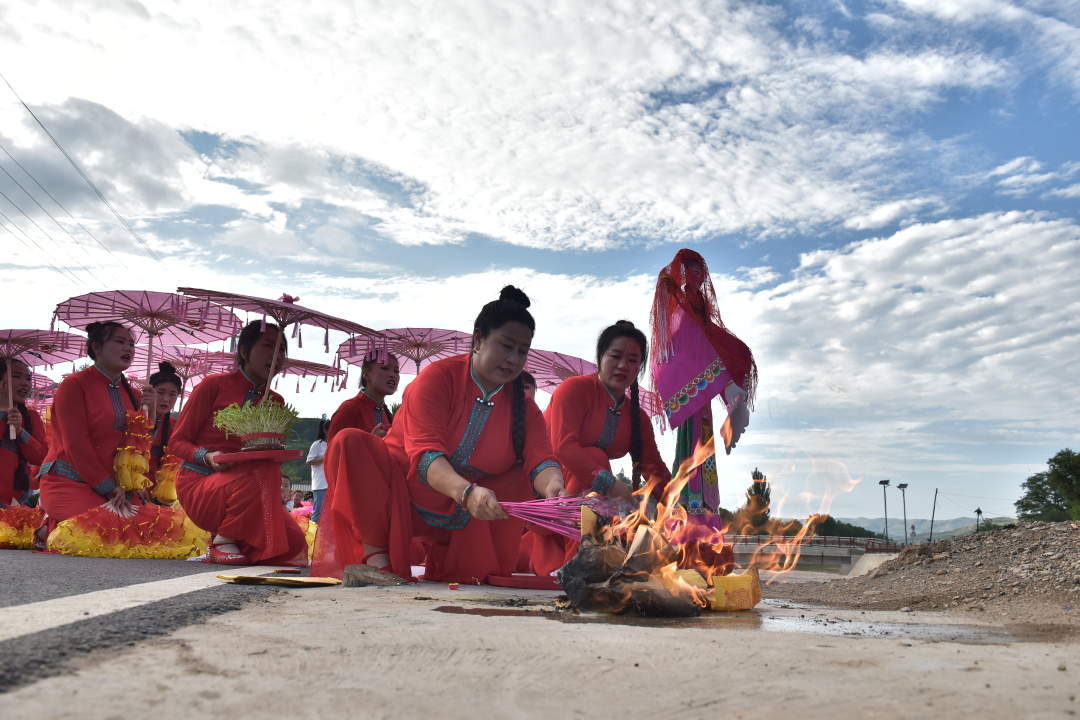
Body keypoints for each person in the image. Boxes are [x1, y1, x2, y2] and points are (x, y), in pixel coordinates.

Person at [313, 286, 566, 583]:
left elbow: (541, 460)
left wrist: (555, 490)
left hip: (470, 515)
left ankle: (468, 566)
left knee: (519, 475)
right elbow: (426, 455)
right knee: (349, 442)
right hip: (404, 495)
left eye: (522, 351)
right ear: (478, 340)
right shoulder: (437, 379)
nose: (513, 359)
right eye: (506, 346)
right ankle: (376, 562)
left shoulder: (525, 408)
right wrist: (467, 492)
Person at [37, 322, 203, 558]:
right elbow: (76, 445)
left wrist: (152, 415)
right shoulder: (74, 385)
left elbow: (140, 450)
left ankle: (48, 528)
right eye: (120, 342)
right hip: (69, 482)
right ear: (96, 347)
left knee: (160, 533)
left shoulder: (135, 395)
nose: (129, 348)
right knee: (107, 533)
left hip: (116, 492)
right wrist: (107, 487)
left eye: (132, 344)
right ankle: (48, 525)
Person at [522, 320, 672, 577]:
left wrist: (680, 509)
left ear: (640, 367)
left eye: (633, 360)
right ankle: (579, 558)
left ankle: (585, 552)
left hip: (587, 498)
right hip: (543, 493)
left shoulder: (637, 417)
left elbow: (654, 469)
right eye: (615, 356)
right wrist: (615, 487)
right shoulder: (574, 389)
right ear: (600, 357)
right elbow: (563, 447)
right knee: (595, 456)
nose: (624, 365)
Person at [171, 320, 308, 566]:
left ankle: (240, 540)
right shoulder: (213, 386)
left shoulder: (275, 401)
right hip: (200, 483)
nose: (276, 356)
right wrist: (208, 456)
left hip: (251, 485)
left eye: (282, 351)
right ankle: (222, 541)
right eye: (268, 346)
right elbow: (177, 442)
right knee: (262, 471)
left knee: (294, 546)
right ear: (244, 351)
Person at [649, 248, 756, 542]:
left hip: (702, 397)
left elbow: (711, 346)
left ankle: (699, 514)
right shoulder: (680, 309)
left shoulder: (700, 310)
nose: (698, 277)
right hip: (691, 389)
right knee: (691, 447)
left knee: (700, 446)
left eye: (701, 272)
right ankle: (689, 517)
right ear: (684, 275)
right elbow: (682, 345)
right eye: (692, 271)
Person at [0, 357, 49, 549]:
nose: (25, 383)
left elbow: (41, 457)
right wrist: (3, 412)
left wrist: (21, 432)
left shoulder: (31, 416)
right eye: (16, 376)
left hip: (15, 504)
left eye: (28, 378)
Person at [327, 352, 400, 443]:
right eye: (385, 368)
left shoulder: (388, 414)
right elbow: (332, 454)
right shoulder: (349, 408)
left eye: (396, 371)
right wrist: (373, 441)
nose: (392, 374)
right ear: (366, 374)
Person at [147, 361, 183, 504]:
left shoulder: (176, 427)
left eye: (173, 394)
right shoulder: (134, 418)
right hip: (128, 490)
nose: (166, 399)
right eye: (160, 392)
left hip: (157, 497)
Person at [306, 419, 329, 523]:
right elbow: (309, 460)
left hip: (332, 483)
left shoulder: (333, 443)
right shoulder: (317, 444)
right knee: (318, 512)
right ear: (325, 430)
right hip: (320, 484)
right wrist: (325, 458)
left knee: (330, 513)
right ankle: (312, 536)